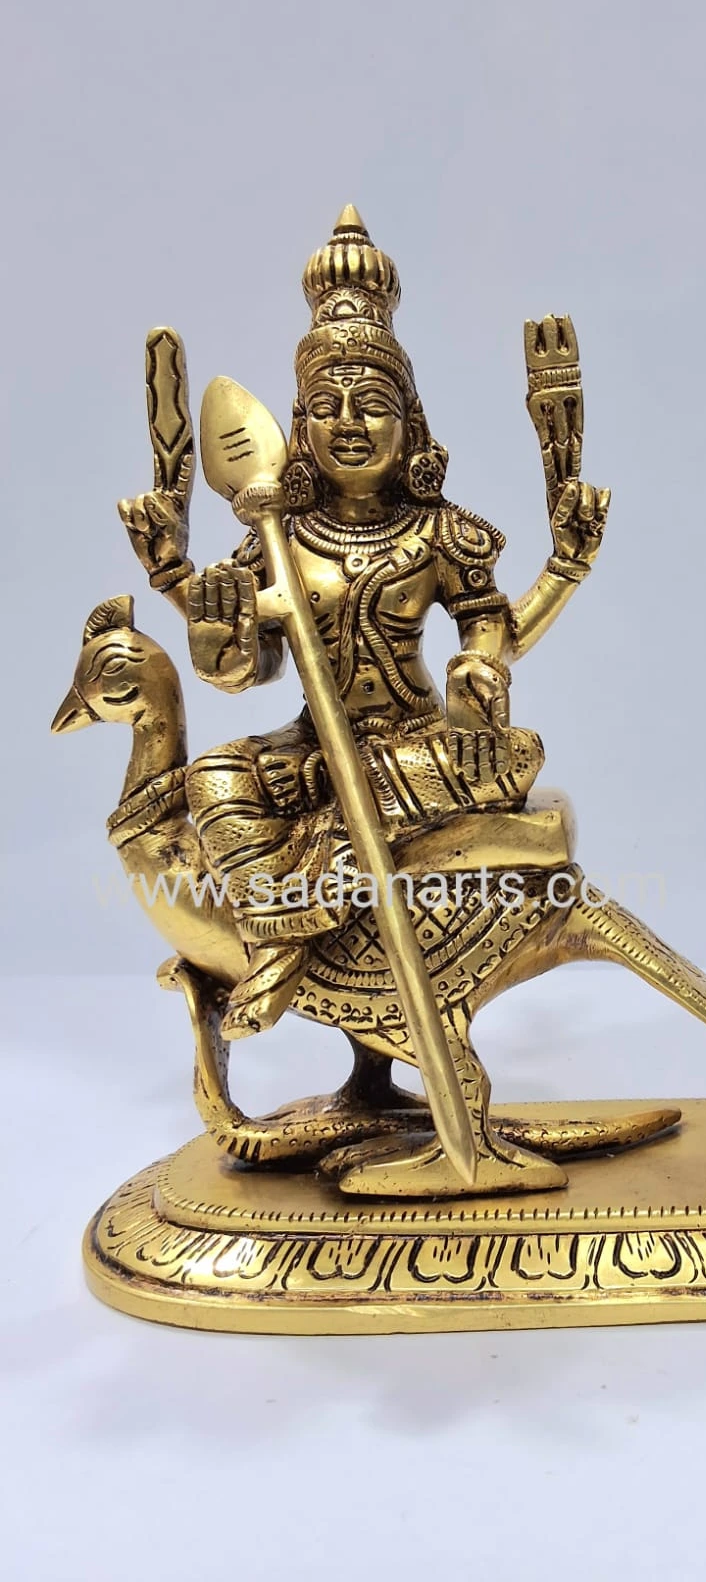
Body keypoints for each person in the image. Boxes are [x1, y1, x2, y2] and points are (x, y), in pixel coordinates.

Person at [119, 206, 607, 1037]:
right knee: (214, 780)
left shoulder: (439, 533)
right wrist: (181, 584)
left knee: (512, 760)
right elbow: (247, 663)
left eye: (373, 404)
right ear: (298, 427)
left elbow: (495, 629)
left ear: (410, 423)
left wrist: (523, 618)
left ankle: (293, 907)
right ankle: (285, 935)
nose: (349, 422)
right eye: (327, 405)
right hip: (316, 748)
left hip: (416, 742)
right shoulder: (278, 538)